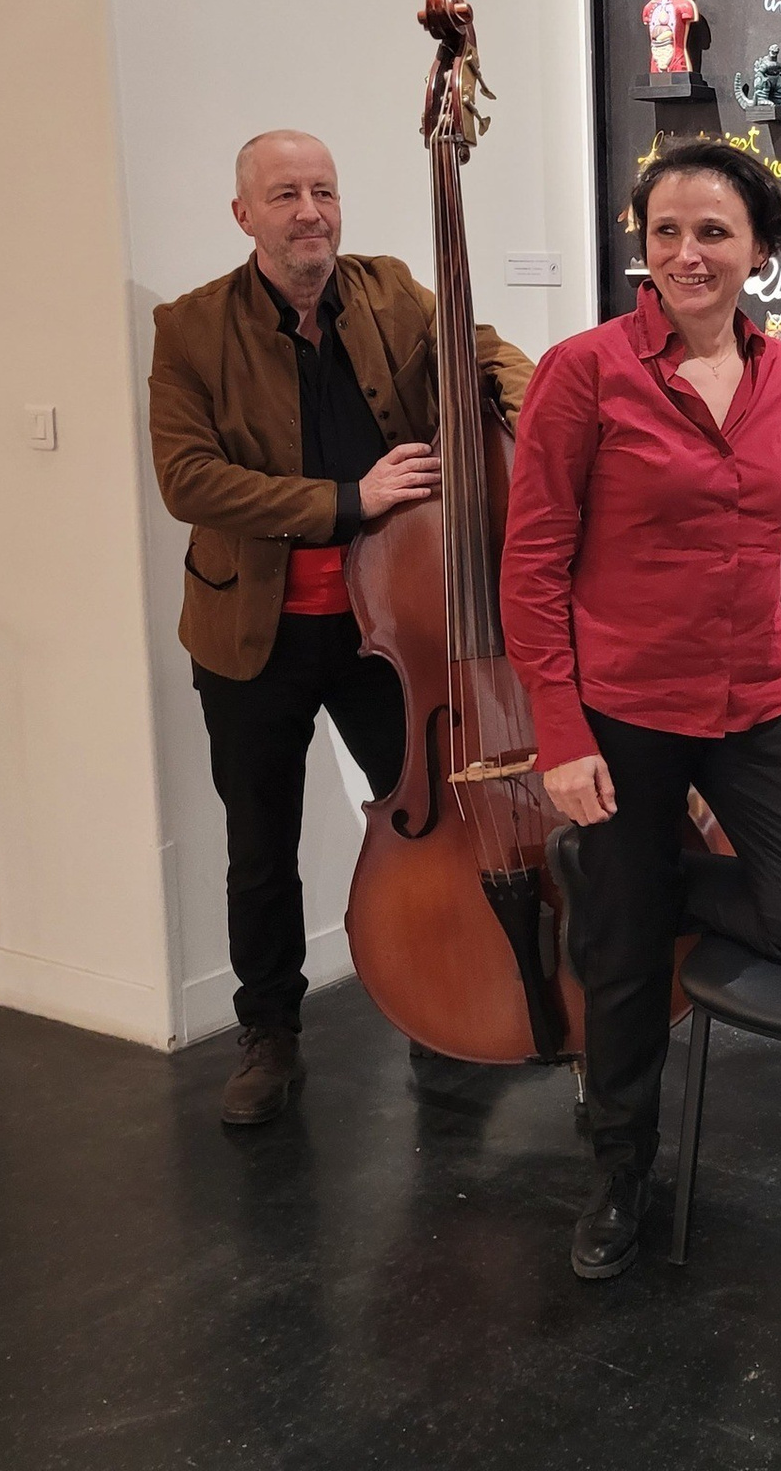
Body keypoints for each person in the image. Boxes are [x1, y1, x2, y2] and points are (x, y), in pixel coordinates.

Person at [500, 139, 781, 1283]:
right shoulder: (583, 371)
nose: (687, 252)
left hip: (755, 698)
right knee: (623, 956)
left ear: (759, 248)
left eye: (713, 231)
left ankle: (625, 875)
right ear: (643, 244)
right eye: (666, 231)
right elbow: (533, 563)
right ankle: (618, 1167)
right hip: (625, 706)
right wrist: (560, 733)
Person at [149, 129, 533, 1125]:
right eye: (285, 193)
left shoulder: (390, 289)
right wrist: (347, 499)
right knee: (260, 845)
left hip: (394, 631)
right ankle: (270, 1034)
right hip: (255, 632)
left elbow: (483, 347)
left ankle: (446, 1002)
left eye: (322, 189)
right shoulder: (189, 328)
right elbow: (189, 479)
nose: (309, 210)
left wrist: (524, 404)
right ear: (244, 214)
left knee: (442, 827)